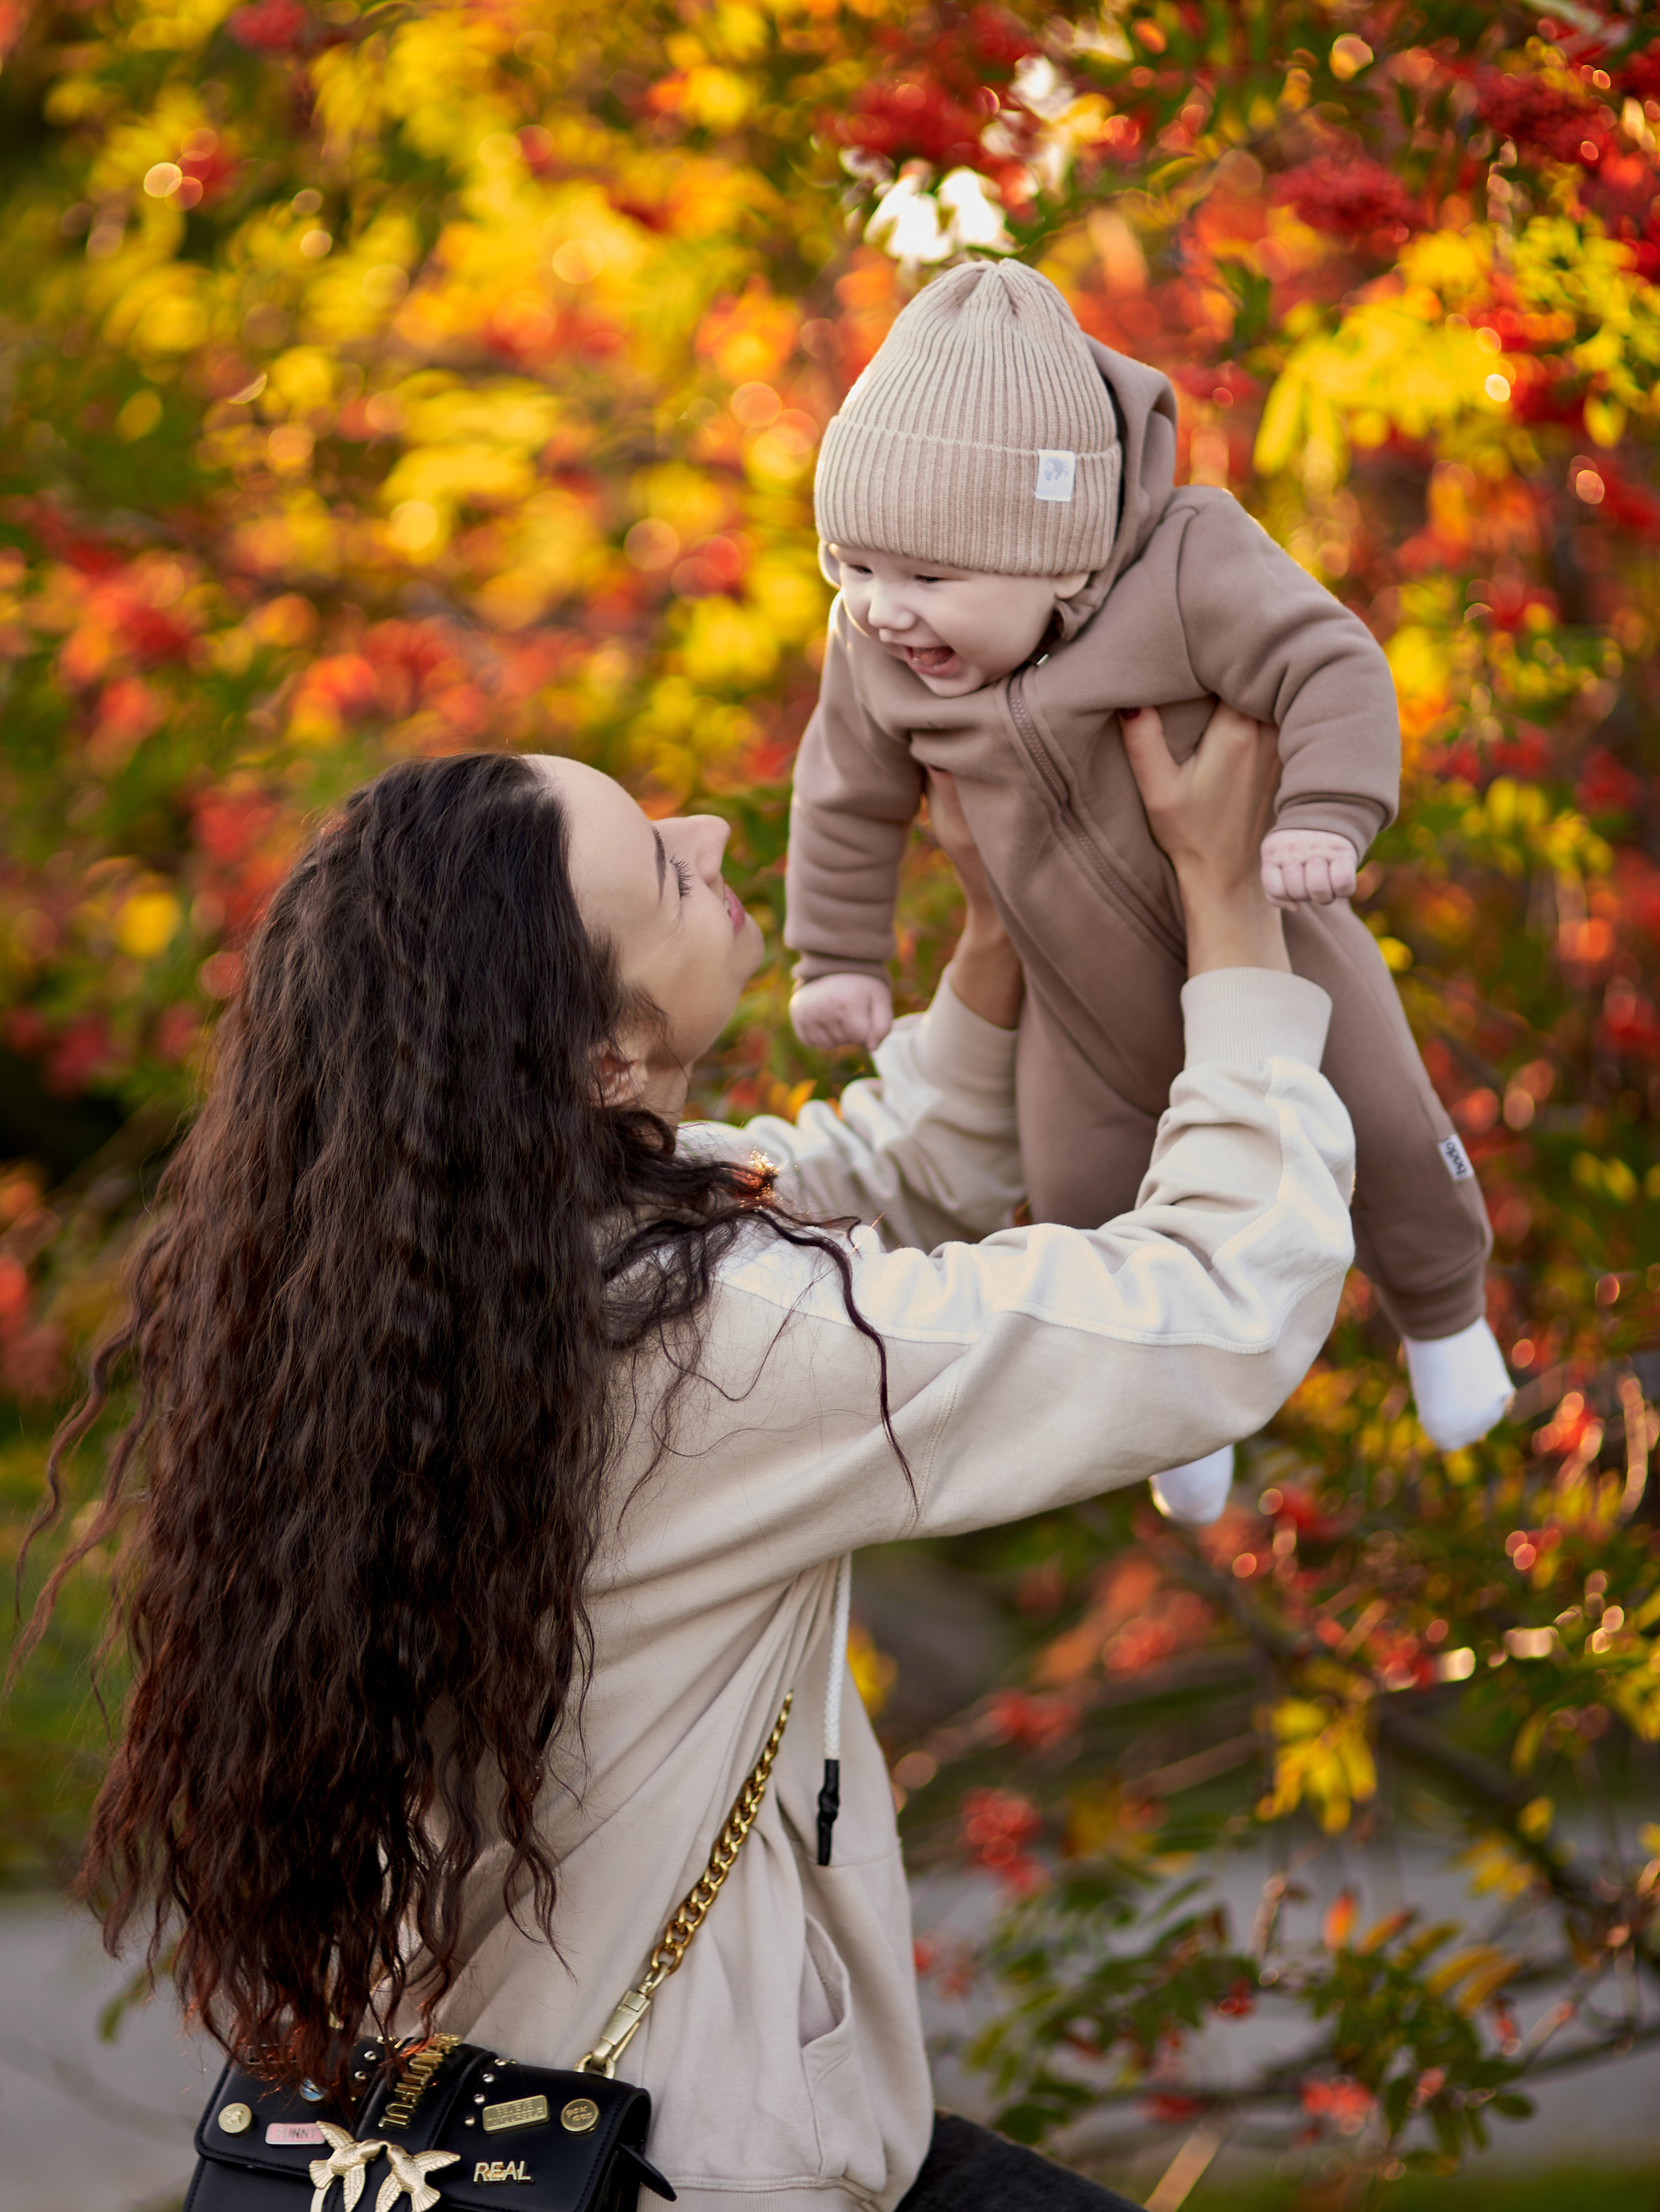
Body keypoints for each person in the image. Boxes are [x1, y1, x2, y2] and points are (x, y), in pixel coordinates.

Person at [21, 702, 1355, 2212]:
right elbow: (1213, 1312)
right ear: (599, 1056)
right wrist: (1230, 908)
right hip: (699, 2158)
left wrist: (992, 930)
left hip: (501, 2106)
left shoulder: (423, 1280)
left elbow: (870, 1176)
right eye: (661, 866)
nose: (714, 835)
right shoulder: (711, 1340)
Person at [783, 257, 1511, 1522]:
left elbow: (1325, 660)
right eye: (850, 566)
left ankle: (1445, 1319)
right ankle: (1172, 1428)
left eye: (926, 578)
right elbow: (842, 791)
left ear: (1057, 559)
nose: (882, 612)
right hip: (1076, 1003)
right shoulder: (876, 649)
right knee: (1081, 1204)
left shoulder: (1187, 563)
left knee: (1390, 1130)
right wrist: (834, 956)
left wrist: (1325, 814)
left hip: (1273, 944)